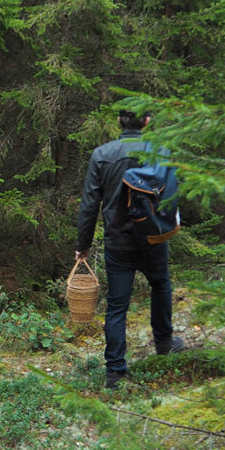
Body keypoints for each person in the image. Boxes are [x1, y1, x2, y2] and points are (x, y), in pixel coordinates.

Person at [75, 109, 184, 388]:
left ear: (118, 121)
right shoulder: (160, 151)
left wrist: (82, 246)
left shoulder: (102, 154)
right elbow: (172, 192)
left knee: (117, 305)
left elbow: (89, 204)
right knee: (160, 285)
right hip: (153, 237)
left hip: (117, 241)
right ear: (147, 121)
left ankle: (115, 372)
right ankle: (164, 344)